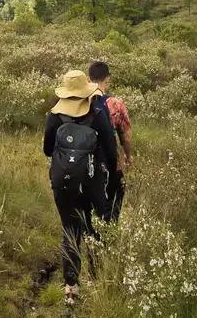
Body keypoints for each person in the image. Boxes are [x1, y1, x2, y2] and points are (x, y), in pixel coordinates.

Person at [43, 70, 117, 303]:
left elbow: (47, 150)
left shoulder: (54, 117)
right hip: (93, 182)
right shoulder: (97, 115)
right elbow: (111, 153)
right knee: (95, 228)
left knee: (70, 230)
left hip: (63, 183)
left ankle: (71, 287)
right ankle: (99, 280)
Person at [88, 61, 132, 222]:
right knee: (114, 198)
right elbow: (125, 136)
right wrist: (128, 155)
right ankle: (108, 233)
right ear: (107, 79)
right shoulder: (115, 104)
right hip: (108, 162)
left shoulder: (79, 102)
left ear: (88, 79)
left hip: (82, 162)